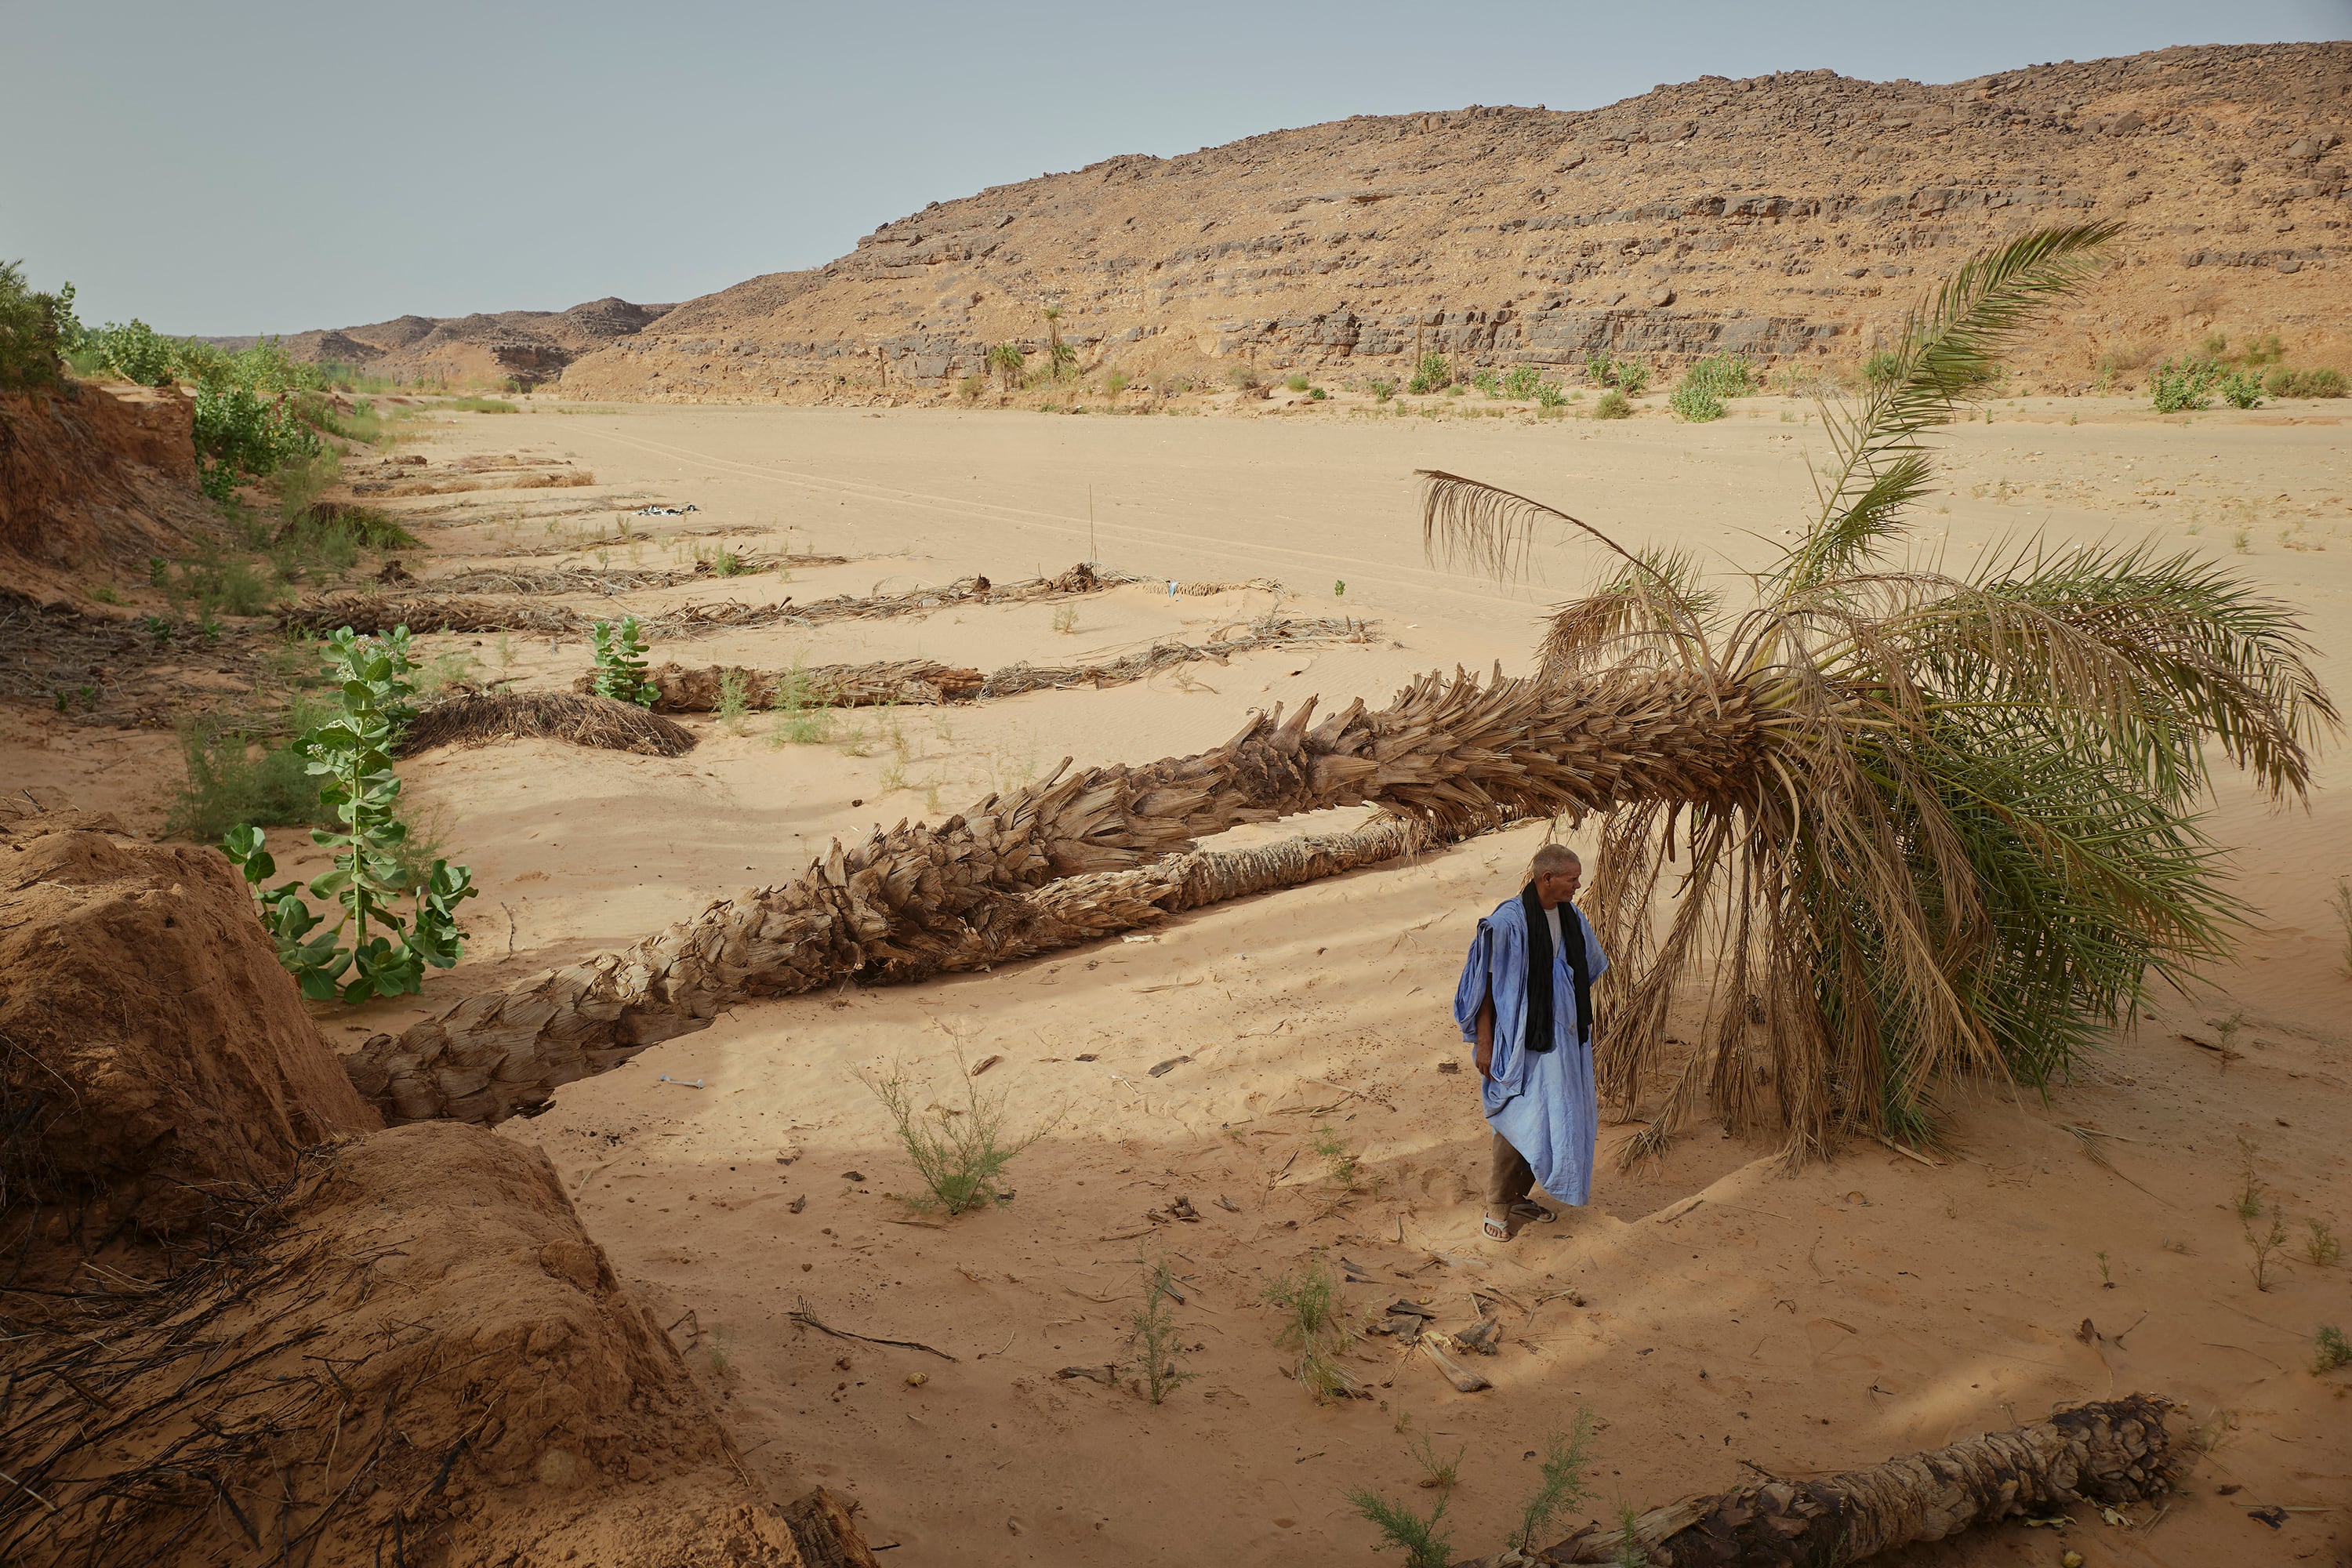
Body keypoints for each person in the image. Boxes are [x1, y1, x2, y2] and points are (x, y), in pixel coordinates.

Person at [1451, 844, 1608, 1242]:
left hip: (1563, 1043)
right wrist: (1484, 1043)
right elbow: (1484, 987)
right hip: (1520, 1042)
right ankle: (1497, 1205)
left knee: (1550, 1117)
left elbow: (1583, 969)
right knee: (1516, 1119)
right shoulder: (1508, 923)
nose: (1578, 884)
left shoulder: (1571, 917)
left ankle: (1521, 1196)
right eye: (1571, 878)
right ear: (1547, 878)